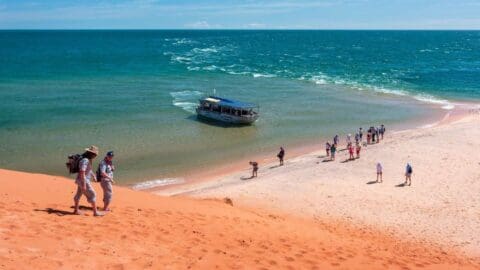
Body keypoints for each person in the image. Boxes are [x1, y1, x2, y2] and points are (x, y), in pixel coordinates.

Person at [73, 145, 102, 216]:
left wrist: (93, 175)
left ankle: (76, 210)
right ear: (92, 154)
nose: (95, 156)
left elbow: (88, 170)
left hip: (80, 179)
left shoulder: (86, 159)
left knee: (78, 195)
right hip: (84, 180)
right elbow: (82, 171)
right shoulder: (85, 160)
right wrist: (84, 184)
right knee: (93, 194)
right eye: (95, 154)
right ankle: (95, 212)